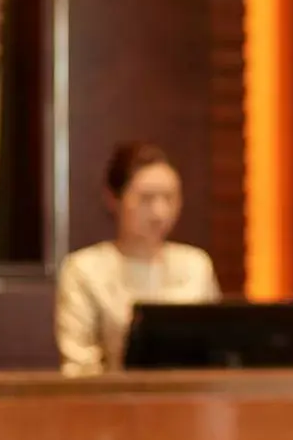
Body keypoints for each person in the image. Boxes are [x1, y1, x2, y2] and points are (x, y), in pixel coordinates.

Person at [55, 142, 220, 375]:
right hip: (112, 406)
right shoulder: (84, 269)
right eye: (146, 199)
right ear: (114, 199)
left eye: (170, 198)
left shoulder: (196, 265)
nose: (160, 212)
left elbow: (215, 351)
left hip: (189, 402)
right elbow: (79, 368)